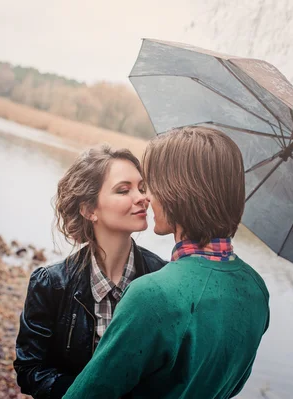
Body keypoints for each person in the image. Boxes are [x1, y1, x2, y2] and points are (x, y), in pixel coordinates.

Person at [63, 126, 270, 399]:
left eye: (153, 184)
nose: (147, 197)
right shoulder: (256, 288)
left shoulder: (153, 295)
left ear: (179, 193)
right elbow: (233, 385)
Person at [13, 145, 166, 399]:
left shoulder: (162, 279)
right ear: (89, 210)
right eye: (123, 189)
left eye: (141, 187)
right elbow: (30, 370)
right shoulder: (51, 284)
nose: (142, 198)